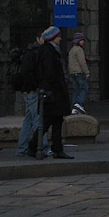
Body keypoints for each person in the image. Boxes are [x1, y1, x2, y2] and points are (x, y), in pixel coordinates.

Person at [34, 26, 74, 159]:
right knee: (48, 122)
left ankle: (57, 149)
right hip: (53, 93)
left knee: (56, 121)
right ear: (52, 38)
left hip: (55, 93)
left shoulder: (51, 51)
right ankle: (34, 146)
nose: (60, 39)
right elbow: (49, 73)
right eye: (58, 37)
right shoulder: (49, 52)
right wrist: (52, 88)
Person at [15, 34, 50, 158]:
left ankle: (22, 147)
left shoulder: (33, 52)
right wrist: (35, 85)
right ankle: (44, 146)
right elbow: (27, 72)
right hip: (31, 90)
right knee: (37, 118)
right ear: (38, 39)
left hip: (29, 89)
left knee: (29, 119)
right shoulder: (32, 53)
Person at [67, 32, 90, 115]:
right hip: (79, 72)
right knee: (84, 88)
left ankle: (74, 108)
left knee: (76, 90)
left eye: (83, 40)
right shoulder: (79, 50)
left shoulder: (72, 50)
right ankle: (79, 104)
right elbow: (82, 62)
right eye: (81, 40)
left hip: (72, 73)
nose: (83, 42)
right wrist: (87, 73)